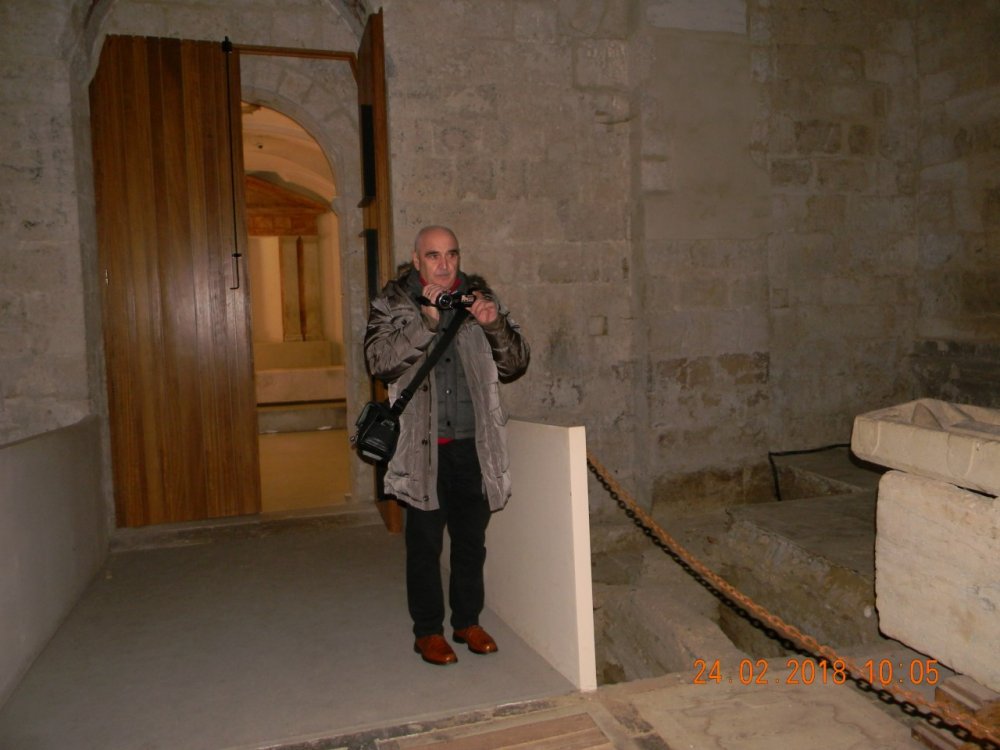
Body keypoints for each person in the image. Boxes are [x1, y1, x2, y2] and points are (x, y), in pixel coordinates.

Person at [364, 225, 530, 666]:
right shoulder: (395, 302)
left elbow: (516, 364)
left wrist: (493, 325)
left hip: (474, 445)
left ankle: (467, 622)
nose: (444, 264)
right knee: (424, 546)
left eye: (451, 254)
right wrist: (425, 322)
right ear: (417, 259)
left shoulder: (479, 299)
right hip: (423, 449)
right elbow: (379, 362)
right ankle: (428, 631)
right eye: (433, 255)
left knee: (471, 542)